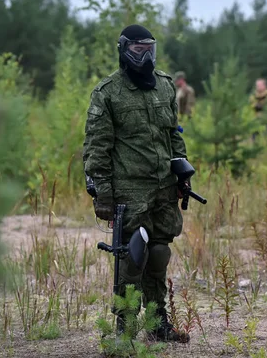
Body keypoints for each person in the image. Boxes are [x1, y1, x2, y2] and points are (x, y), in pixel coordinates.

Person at [82, 24, 192, 343]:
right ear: (124, 50)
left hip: (163, 188)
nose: (145, 57)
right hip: (128, 190)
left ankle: (158, 324)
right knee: (131, 260)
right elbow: (97, 146)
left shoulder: (165, 87)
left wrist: (181, 172)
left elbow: (173, 134)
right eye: (138, 50)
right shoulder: (108, 93)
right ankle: (125, 329)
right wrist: (102, 192)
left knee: (158, 255)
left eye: (150, 50)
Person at [250, 77, 267, 143]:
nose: (258, 87)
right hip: (256, 118)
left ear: (264, 86)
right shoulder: (254, 95)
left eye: (259, 85)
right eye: (257, 85)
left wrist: (259, 105)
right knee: (255, 135)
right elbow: (252, 105)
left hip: (266, 118)